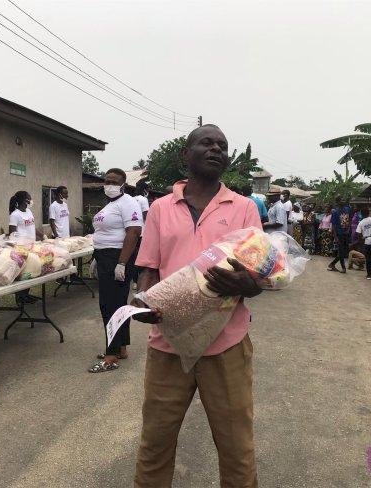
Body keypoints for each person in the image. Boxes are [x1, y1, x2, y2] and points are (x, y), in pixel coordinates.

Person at [132, 124, 262, 487]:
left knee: (237, 447)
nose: (216, 149)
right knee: (155, 442)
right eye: (206, 143)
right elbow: (148, 267)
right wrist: (145, 301)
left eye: (222, 145)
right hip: (168, 344)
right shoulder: (160, 208)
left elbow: (258, 277)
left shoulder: (244, 208)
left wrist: (246, 285)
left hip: (227, 345)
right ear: (185, 155)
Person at [88, 168, 143, 373]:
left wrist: (121, 263)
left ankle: (110, 356)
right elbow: (103, 232)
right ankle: (120, 348)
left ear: (122, 184)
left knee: (109, 305)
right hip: (105, 257)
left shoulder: (128, 202)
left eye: (113, 181)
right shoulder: (110, 204)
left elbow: (134, 232)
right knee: (116, 304)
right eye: (106, 180)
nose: (109, 184)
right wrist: (96, 257)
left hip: (117, 257)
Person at [9, 191, 45, 304]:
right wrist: (18, 246)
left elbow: (32, 227)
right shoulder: (15, 215)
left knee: (30, 271)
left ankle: (26, 294)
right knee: (23, 273)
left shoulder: (29, 211)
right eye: (30, 199)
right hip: (22, 248)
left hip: (32, 246)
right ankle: (20, 297)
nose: (31, 201)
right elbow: (12, 233)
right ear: (25, 200)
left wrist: (43, 236)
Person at [356, 207, 371, 280]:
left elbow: (358, 234)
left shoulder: (361, 222)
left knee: (368, 259)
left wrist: (362, 240)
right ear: (368, 212)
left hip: (367, 241)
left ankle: (369, 275)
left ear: (362, 214)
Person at [327, 197, 351, 273]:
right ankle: (343, 268)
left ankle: (332, 264)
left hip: (346, 233)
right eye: (341, 199)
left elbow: (349, 219)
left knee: (345, 251)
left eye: (343, 199)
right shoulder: (335, 212)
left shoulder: (347, 209)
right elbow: (333, 225)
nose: (343, 200)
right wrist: (335, 237)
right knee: (341, 251)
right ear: (337, 202)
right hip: (339, 233)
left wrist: (349, 228)